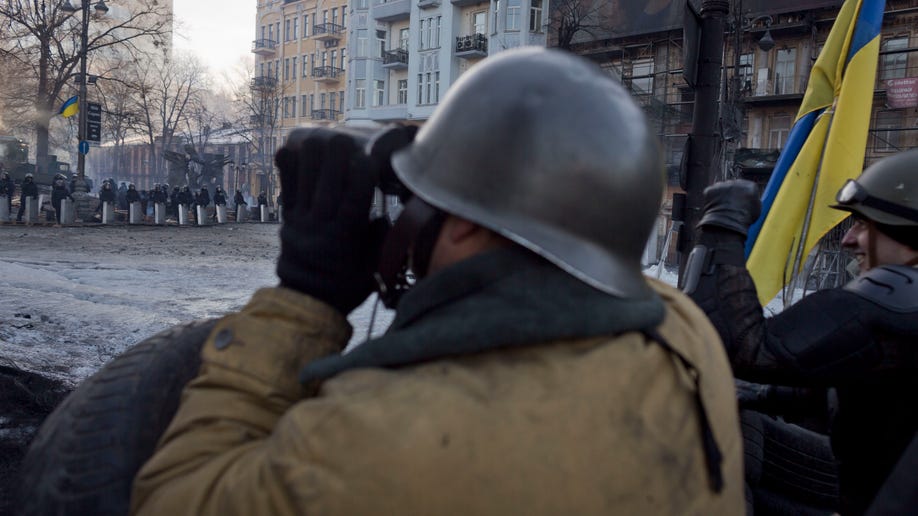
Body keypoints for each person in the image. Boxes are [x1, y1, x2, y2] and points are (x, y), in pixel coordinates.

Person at [131, 48, 743, 515]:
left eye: (423, 200)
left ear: (467, 223)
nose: (411, 218)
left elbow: (174, 497)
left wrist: (305, 297)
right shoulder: (684, 330)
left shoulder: (376, 436)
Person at [683, 148, 918, 515]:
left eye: (863, 224)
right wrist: (764, 394)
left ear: (908, 237)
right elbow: (870, 392)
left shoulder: (898, 301)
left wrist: (722, 222)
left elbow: (735, 346)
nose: (848, 240)